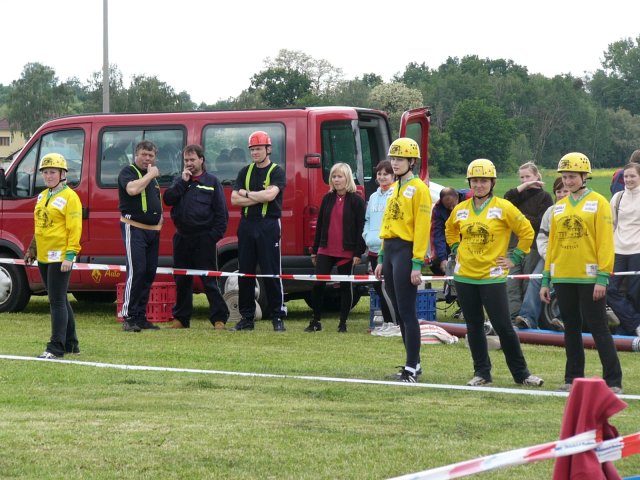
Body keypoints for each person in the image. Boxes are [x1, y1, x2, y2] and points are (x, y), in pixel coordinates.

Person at [445, 158, 544, 387]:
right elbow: (450, 230)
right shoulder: (460, 210)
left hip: (492, 276)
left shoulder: (504, 207)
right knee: (474, 327)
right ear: (469, 182)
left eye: (483, 181)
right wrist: (456, 247)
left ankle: (522, 374)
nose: (479, 185)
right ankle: (482, 373)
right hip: (464, 276)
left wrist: (516, 257)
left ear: (492, 182)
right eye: (475, 181)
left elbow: (527, 232)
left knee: (503, 326)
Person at [540, 152, 623, 394]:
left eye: (572, 176)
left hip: (589, 278)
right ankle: (572, 377)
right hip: (563, 276)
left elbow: (605, 243)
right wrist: (546, 279)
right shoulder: (558, 208)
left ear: (584, 176)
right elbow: (552, 245)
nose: (568, 181)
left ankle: (614, 380)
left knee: (598, 327)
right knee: (571, 328)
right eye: (565, 177)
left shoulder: (599, 203)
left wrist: (603, 277)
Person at [374, 138, 432, 383]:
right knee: (398, 311)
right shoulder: (395, 188)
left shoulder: (419, 188)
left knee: (407, 312)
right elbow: (388, 223)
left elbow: (421, 227)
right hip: (391, 249)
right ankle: (412, 364)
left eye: (400, 159)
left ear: (412, 161)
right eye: (393, 158)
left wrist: (417, 262)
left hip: (407, 250)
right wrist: (380, 256)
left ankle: (412, 366)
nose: (395, 163)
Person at [163, 144, 230, 330]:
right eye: (186, 160)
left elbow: (221, 215)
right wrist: (183, 182)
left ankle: (219, 319)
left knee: (209, 280)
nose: (189, 163)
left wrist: (212, 237)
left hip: (204, 239)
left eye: (192, 160)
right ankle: (181, 319)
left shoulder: (212, 182)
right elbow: (168, 199)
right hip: (182, 238)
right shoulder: (180, 181)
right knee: (182, 280)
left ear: (201, 160)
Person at [24, 153, 82, 359]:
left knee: (56, 301)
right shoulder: (42, 196)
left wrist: (70, 256)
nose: (48, 176)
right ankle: (71, 343)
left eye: (52, 172)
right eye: (45, 172)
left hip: (60, 257)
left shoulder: (70, 197)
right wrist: (32, 248)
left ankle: (55, 347)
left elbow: (75, 229)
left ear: (62, 174)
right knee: (60, 300)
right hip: (44, 256)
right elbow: (40, 225)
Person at [230, 131, 287, 332]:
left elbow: (271, 195)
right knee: (245, 272)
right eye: (252, 149)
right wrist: (257, 196)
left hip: (268, 225)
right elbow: (234, 199)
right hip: (247, 224)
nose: (255, 152)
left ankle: (278, 316)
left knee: (271, 271)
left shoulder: (276, 171)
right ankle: (246, 318)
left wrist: (246, 194)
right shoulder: (244, 171)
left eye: (258, 149)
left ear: (268, 149)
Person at [305, 163, 366, 333]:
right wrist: (315, 249)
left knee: (345, 287)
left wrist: (358, 252)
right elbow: (320, 225)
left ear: (347, 178)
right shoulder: (327, 198)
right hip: (325, 248)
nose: (337, 180)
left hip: (347, 250)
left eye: (340, 176)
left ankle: (343, 323)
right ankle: (315, 321)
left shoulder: (356, 200)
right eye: (334, 176)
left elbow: (361, 228)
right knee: (318, 284)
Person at [118, 140, 163, 333]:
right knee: (136, 272)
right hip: (134, 228)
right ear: (136, 155)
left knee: (149, 273)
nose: (147, 159)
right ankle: (128, 316)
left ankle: (140, 316)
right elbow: (133, 190)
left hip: (152, 231)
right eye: (144, 154)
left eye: (151, 156)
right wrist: (151, 174)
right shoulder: (128, 172)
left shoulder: (152, 179)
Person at [514, 177, 569, 330]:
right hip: (550, 257)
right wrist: (547, 255)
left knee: (565, 285)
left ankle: (563, 319)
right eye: (558, 191)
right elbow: (543, 237)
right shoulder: (550, 212)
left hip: (573, 258)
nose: (562, 194)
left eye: (565, 191)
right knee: (535, 279)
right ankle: (527, 318)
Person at [504, 162, 553, 323]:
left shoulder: (544, 197)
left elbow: (541, 222)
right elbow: (506, 200)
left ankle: (527, 318)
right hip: (513, 245)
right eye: (522, 177)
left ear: (537, 176)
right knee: (511, 283)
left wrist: (520, 218)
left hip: (532, 247)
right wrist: (523, 187)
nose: (525, 180)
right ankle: (512, 317)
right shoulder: (517, 196)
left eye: (528, 177)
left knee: (527, 283)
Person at [607, 162, 640, 336]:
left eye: (633, 176)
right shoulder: (617, 198)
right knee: (610, 290)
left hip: (637, 251)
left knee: (635, 293)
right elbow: (611, 225)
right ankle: (635, 325)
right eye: (626, 176)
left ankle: (626, 328)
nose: (628, 179)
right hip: (618, 250)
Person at [362, 160, 395, 328]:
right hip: (373, 249)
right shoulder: (373, 197)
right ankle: (387, 322)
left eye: (386, 174)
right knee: (378, 288)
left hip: (388, 249)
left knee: (390, 289)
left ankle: (394, 322)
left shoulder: (396, 194)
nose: (382, 177)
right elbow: (367, 220)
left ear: (393, 176)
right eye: (379, 174)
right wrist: (367, 236)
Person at [430, 186, 471, 275]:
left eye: (453, 205)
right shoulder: (437, 210)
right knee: (436, 262)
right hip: (450, 237)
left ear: (457, 197)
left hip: (470, 235)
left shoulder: (470, 198)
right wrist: (442, 259)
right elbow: (437, 234)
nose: (452, 209)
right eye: (448, 207)